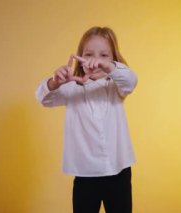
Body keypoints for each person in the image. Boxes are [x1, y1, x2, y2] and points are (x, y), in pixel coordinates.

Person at [35, 26, 137, 213]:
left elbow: (131, 80)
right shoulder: (71, 88)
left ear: (113, 58)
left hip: (119, 171)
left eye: (103, 55)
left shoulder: (116, 86)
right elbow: (43, 98)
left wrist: (108, 66)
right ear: (80, 58)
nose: (95, 60)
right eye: (89, 54)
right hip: (85, 174)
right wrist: (54, 82)